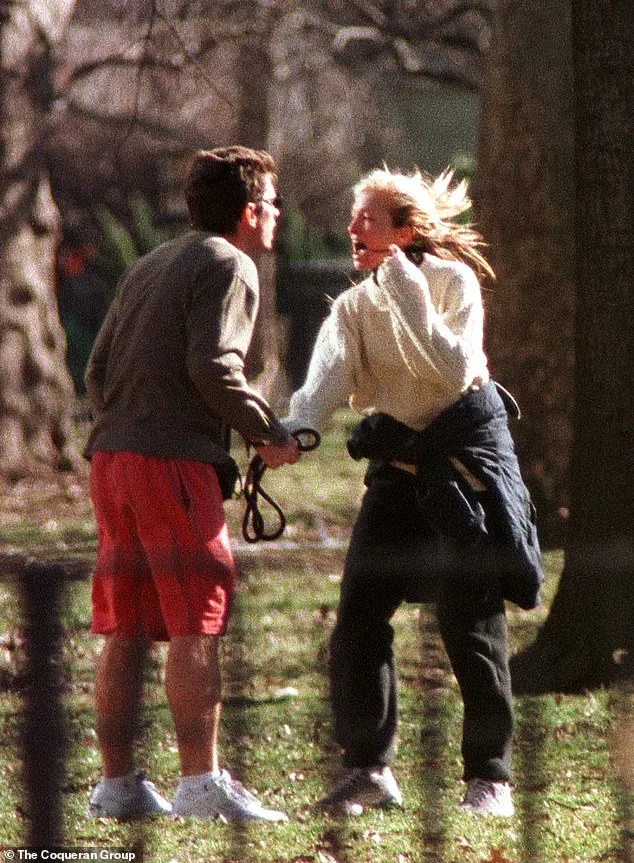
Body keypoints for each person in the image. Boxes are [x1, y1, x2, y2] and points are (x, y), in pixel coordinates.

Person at [282, 166, 544, 817]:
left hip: (465, 477)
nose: (352, 230)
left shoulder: (452, 283)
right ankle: (368, 768)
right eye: (353, 221)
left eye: (366, 219)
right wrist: (287, 438)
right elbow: (319, 391)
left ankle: (491, 778)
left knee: (470, 625)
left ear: (405, 229)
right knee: (358, 620)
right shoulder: (353, 306)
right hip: (397, 477)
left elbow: (454, 369)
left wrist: (402, 285)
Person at [84, 146, 299, 821]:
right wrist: (269, 432)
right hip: (171, 464)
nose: (278, 214)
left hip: (110, 459)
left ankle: (116, 787)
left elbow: (95, 372)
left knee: (127, 625)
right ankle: (200, 784)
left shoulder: (150, 262)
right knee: (195, 620)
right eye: (271, 202)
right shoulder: (231, 263)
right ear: (247, 211)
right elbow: (214, 366)